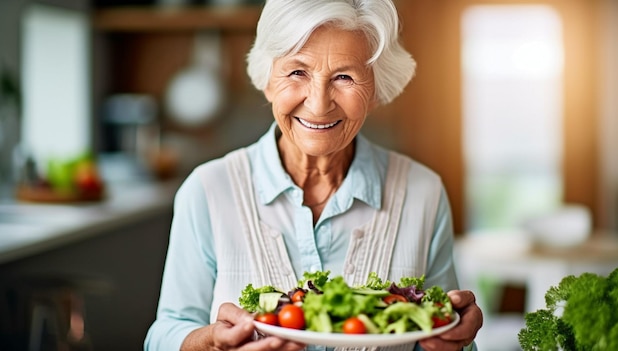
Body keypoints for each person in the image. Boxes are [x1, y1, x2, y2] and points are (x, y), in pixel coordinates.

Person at [144, 0, 483, 350]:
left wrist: (458, 338)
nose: (319, 104)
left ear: (377, 90)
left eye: (344, 77)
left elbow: (441, 329)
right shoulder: (208, 190)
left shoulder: (422, 192)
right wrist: (209, 343)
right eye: (297, 72)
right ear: (267, 81)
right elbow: (165, 333)